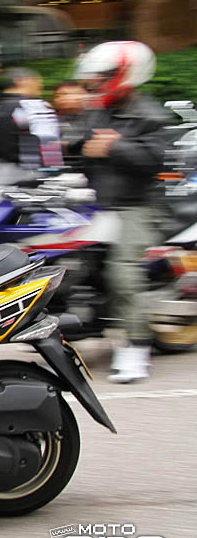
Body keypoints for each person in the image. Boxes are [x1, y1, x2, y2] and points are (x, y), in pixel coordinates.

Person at [71, 40, 172, 383]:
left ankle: (136, 348)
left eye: (102, 77)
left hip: (137, 206)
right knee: (65, 259)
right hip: (100, 203)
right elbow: (83, 148)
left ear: (124, 75)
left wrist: (115, 146)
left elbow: (154, 161)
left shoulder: (150, 115)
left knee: (122, 272)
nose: (94, 83)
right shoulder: (98, 110)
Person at [0, 67, 63, 170]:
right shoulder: (36, 107)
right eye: (37, 81)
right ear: (21, 80)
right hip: (29, 174)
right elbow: (48, 147)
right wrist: (53, 171)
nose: (40, 86)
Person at [52, 81, 89, 165]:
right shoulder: (47, 119)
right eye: (60, 95)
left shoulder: (96, 119)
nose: (67, 98)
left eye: (75, 94)